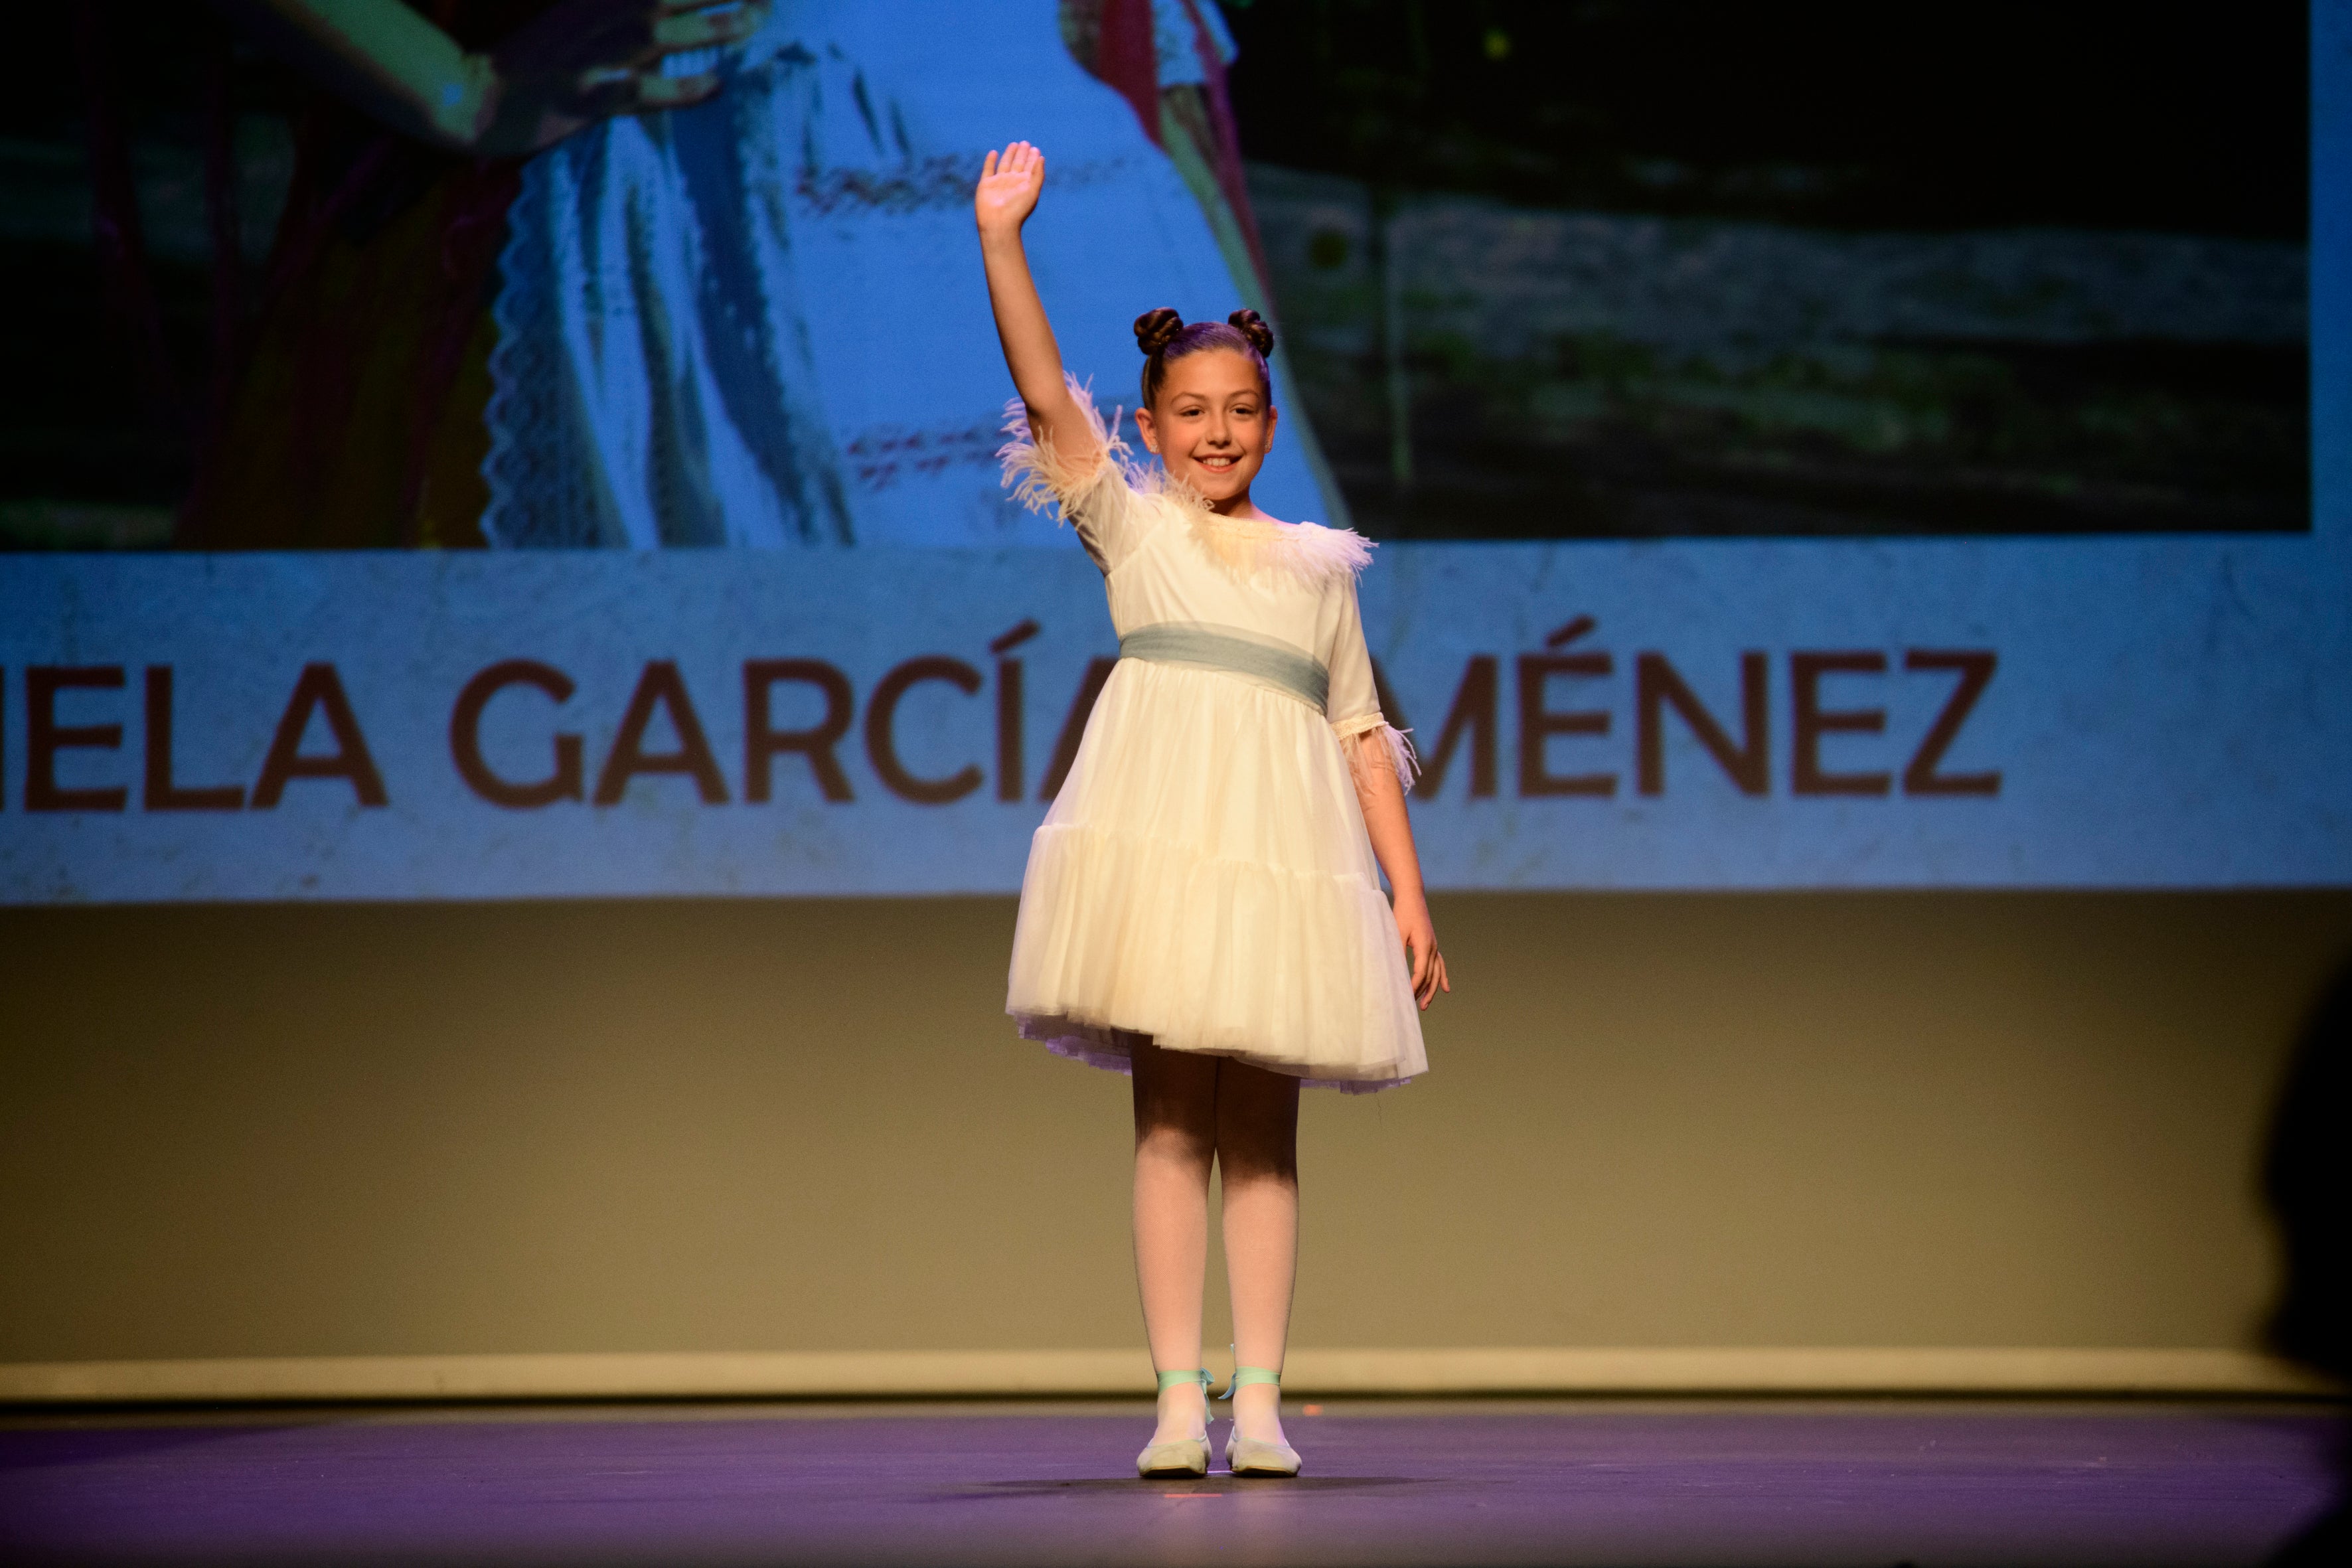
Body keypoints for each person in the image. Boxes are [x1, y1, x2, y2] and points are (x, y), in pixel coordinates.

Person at [977, 140, 1449, 1480]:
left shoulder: (1317, 569)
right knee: (1169, 1114)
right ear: (1147, 425)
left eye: (1239, 408)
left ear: (1269, 420)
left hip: (1279, 857)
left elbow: (1359, 730)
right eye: (1189, 410)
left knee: (1262, 1126)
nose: (1216, 431)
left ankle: (1259, 1399)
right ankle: (1176, 1398)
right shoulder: (1134, 530)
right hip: (1163, 850)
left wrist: (1407, 893)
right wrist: (1002, 241)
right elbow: (1034, 389)